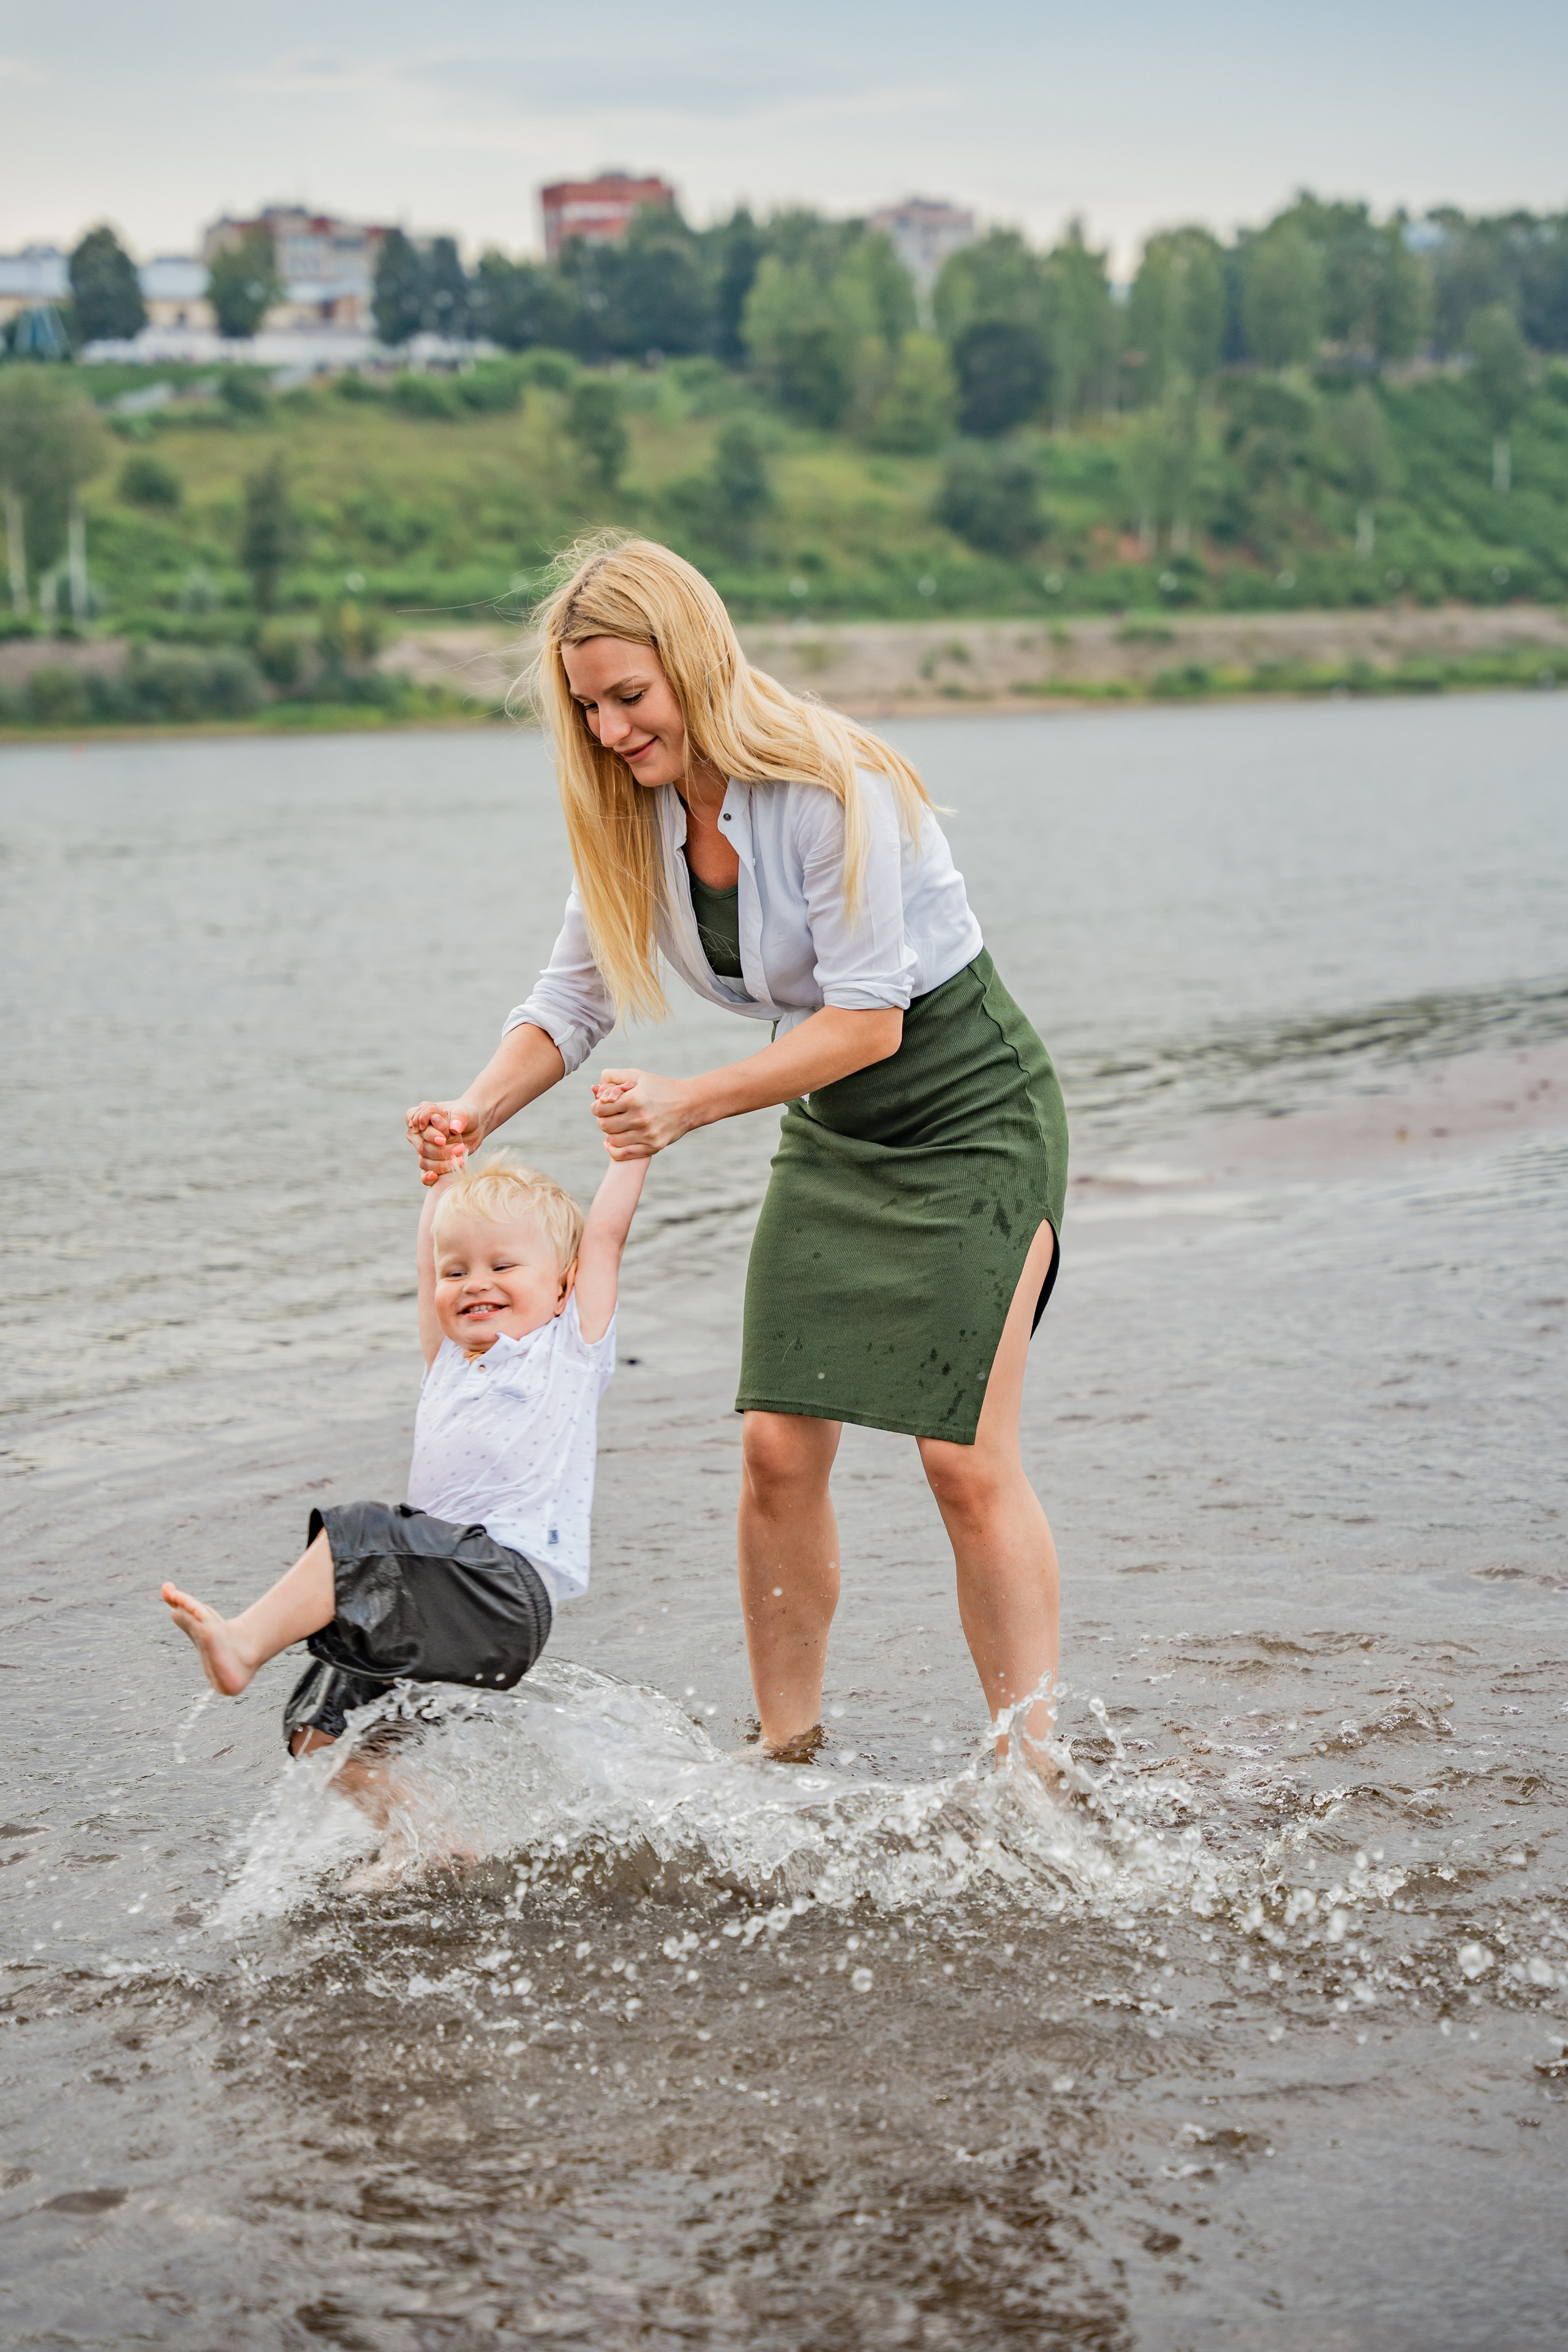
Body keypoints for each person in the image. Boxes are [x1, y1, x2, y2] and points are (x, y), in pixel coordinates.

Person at [407, 535, 1068, 1766]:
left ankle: (1030, 1767)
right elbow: (570, 999)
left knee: (962, 1461)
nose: (607, 729)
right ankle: (787, 1748)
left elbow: (869, 1020)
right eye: (586, 705)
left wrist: (690, 1103)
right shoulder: (627, 814)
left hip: (969, 1113)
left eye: (627, 697)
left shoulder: (829, 784)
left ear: (693, 666)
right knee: (773, 1447)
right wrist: (474, 1110)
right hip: (833, 1128)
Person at [160, 1147, 647, 1813]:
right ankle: (428, 1838)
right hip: (429, 1595)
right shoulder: (447, 1361)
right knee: (315, 1725)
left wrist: (632, 1152)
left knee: (360, 1534)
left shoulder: (566, 1353)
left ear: (563, 1285)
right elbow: (427, 1259)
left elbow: (606, 1238)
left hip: (505, 1590)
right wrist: (445, 1169)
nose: (475, 1282)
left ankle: (246, 1642)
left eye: (503, 1266)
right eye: (458, 1271)